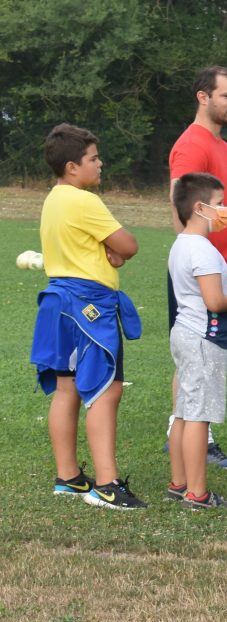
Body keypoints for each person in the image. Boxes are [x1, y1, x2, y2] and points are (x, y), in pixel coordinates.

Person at [31, 123, 146, 509]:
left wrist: (107, 251)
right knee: (105, 389)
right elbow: (128, 244)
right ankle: (108, 486)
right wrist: (116, 252)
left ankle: (69, 478)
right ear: (72, 166)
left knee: (67, 389)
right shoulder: (85, 201)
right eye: (93, 159)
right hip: (89, 307)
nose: (101, 164)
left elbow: (97, 248)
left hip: (57, 303)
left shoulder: (53, 199)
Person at [165, 66, 227, 469]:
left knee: (207, 356)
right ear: (203, 96)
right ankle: (193, 436)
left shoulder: (223, 146)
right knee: (198, 353)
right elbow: (181, 207)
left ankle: (189, 434)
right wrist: (195, 259)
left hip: (221, 268)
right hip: (204, 274)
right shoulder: (193, 144)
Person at [166, 173, 227, 509]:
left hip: (184, 332)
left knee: (183, 411)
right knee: (198, 415)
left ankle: (179, 483)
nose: (226, 211)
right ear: (199, 207)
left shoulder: (180, 244)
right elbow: (215, 302)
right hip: (203, 336)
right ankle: (197, 493)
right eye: (219, 204)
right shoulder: (202, 249)